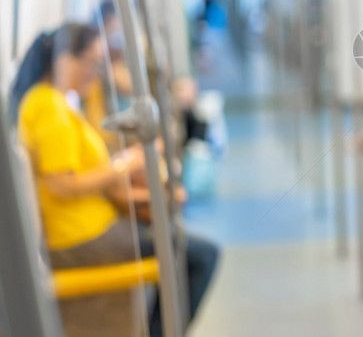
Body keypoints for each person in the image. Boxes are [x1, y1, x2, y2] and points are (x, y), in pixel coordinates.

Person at [10, 23, 218, 337]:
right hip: (81, 238)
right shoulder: (48, 107)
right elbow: (62, 183)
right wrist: (124, 164)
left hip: (93, 226)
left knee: (178, 239)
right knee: (198, 255)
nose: (95, 73)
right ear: (66, 61)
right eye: (92, 63)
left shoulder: (56, 104)